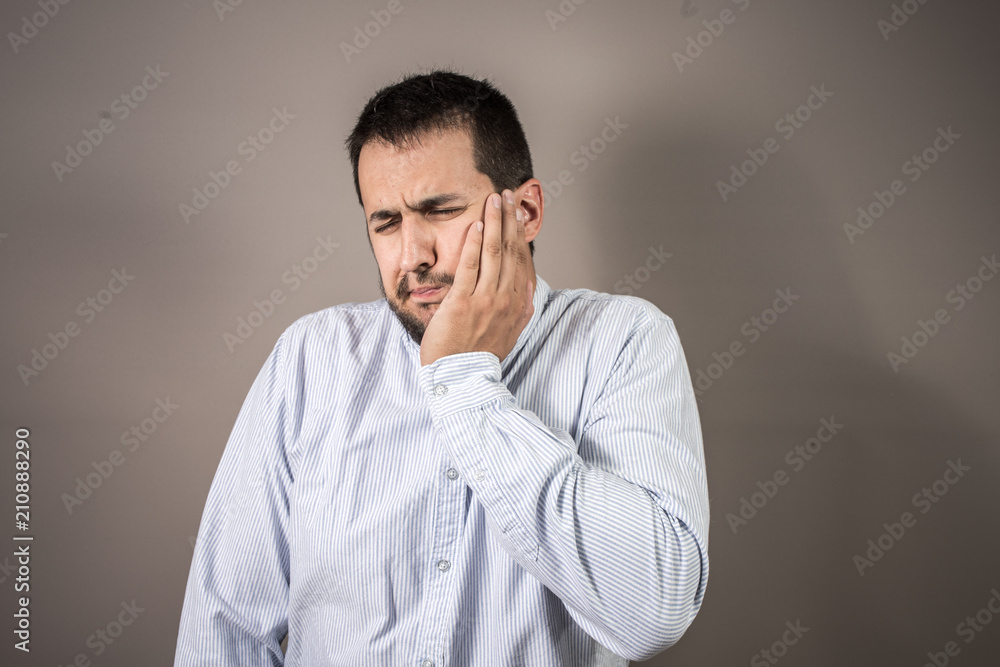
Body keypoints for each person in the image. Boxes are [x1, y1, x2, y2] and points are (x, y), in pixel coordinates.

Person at [174, 70, 709, 666]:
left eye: (440, 210)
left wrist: (465, 382)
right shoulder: (310, 360)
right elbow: (222, 632)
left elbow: (653, 611)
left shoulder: (624, 342)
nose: (413, 255)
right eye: (386, 222)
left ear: (526, 211)